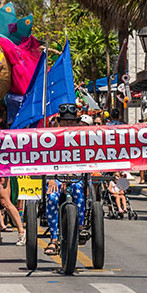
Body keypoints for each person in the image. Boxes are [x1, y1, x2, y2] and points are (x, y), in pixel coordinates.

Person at [44, 104, 86, 256]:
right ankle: (54, 239)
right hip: (55, 177)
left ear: (76, 122)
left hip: (75, 177)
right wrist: (50, 179)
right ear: (59, 122)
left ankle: (80, 227)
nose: (69, 124)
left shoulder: (83, 140)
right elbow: (44, 161)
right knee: (52, 197)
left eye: (72, 121)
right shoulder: (49, 139)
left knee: (78, 190)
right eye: (65, 122)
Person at [0, 107, 26, 247]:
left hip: (2, 172)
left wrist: (4, 173)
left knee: (6, 202)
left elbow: (8, 155)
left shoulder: (4, 135)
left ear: (0, 120)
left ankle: (21, 232)